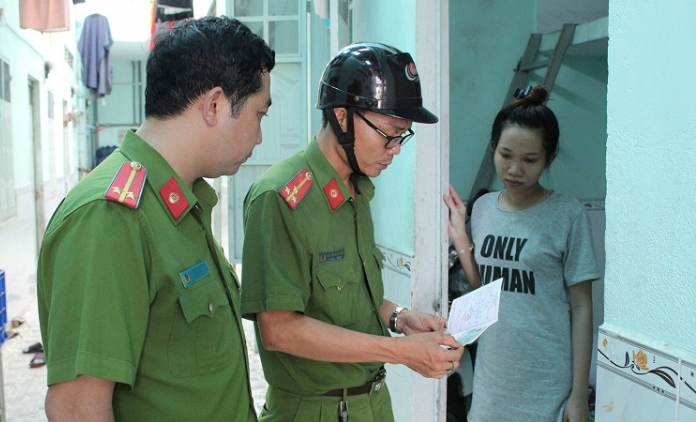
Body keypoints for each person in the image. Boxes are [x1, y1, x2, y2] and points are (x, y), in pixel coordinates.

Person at [37, 16, 275, 421]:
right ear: (215, 105)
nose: (259, 136)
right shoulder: (110, 219)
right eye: (259, 114)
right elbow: (78, 409)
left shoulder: (179, 205)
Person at [240, 42, 464, 422]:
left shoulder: (357, 192)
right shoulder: (280, 198)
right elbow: (280, 329)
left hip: (371, 404)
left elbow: (343, 299)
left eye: (402, 137)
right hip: (314, 411)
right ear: (342, 117)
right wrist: (402, 352)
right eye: (389, 133)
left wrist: (400, 319)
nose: (395, 149)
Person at [443, 85, 600, 422]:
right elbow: (484, 292)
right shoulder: (483, 208)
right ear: (493, 149)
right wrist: (461, 239)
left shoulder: (567, 215)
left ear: (549, 158)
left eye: (530, 160)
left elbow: (582, 307)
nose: (514, 169)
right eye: (505, 155)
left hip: (548, 386)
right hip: (493, 384)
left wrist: (577, 394)